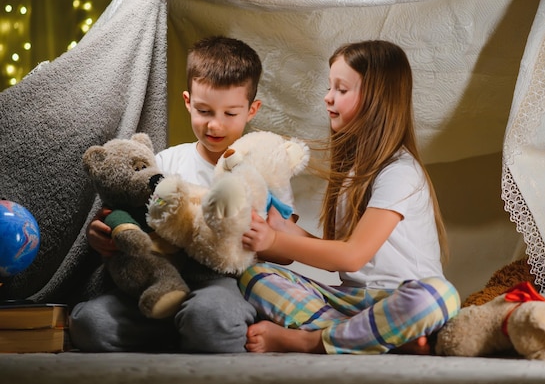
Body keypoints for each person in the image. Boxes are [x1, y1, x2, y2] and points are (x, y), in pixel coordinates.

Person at [237, 40, 461, 355]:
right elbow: (341, 259)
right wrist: (287, 231)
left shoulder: (400, 171)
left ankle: (314, 341)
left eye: (341, 90)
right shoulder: (353, 171)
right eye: (331, 88)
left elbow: (352, 256)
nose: (328, 98)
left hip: (401, 298)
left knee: (439, 297)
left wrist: (274, 241)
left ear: (377, 100)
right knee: (253, 275)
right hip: (350, 301)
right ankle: (380, 338)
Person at [70, 36, 291, 353]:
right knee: (91, 324)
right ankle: (181, 329)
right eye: (204, 110)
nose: (215, 125)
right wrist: (100, 234)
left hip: (219, 279)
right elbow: (125, 213)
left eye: (230, 113)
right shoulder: (167, 161)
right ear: (188, 101)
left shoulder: (261, 168)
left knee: (211, 320)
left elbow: (286, 252)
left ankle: (193, 328)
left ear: (252, 110)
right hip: (160, 275)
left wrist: (262, 237)